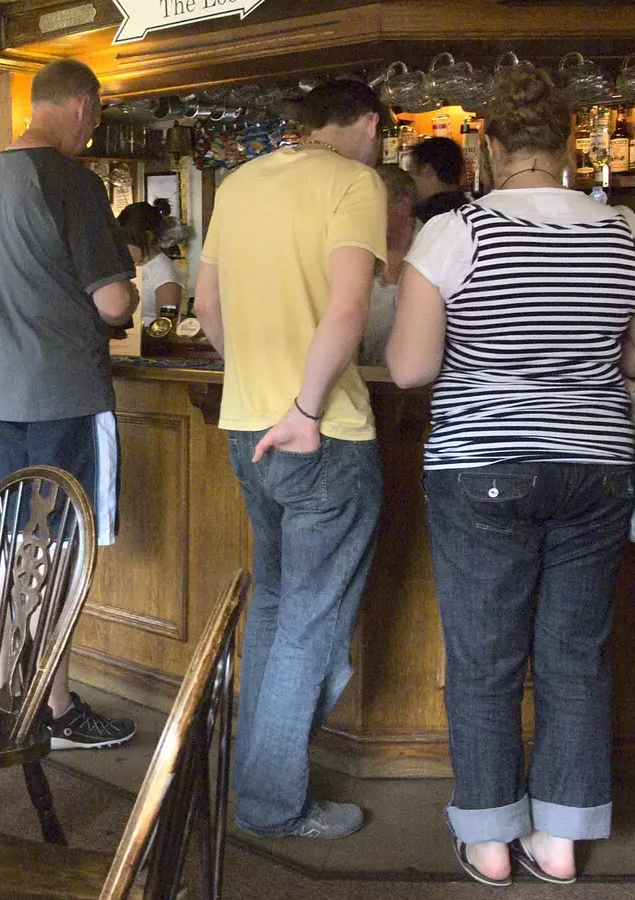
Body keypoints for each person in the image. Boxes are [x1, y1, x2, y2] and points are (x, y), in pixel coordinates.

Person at [385, 66, 635, 886]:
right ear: (569, 145)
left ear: (489, 145)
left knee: (484, 657)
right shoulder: (628, 232)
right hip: (594, 466)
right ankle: (559, 839)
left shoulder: (456, 233)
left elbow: (412, 368)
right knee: (576, 655)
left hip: (481, 466)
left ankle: (488, 839)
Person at [192, 78, 387, 839]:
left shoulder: (239, 183)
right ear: (369, 123)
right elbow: (348, 306)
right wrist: (304, 406)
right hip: (322, 435)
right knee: (313, 623)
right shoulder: (354, 181)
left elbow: (207, 306)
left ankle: (253, 777)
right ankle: (274, 802)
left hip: (248, 430)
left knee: (276, 605)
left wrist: (260, 384)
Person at [0, 57, 140, 751]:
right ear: (84, 105)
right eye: (96, 113)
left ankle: (12, 684)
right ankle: (52, 708)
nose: (95, 127)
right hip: (62, 391)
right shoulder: (71, 181)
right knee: (61, 547)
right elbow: (113, 299)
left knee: (16, 541)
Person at [360, 166, 419, 366]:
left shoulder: (436, 248)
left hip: (424, 390)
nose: (364, 214)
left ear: (404, 205)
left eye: (372, 205)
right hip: (369, 385)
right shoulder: (355, 256)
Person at [115, 201, 184, 324]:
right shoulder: (128, 267)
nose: (121, 249)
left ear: (148, 237)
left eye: (125, 242)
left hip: (149, 342)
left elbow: (167, 324)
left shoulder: (166, 273)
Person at [409, 136, 470, 222]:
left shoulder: (426, 216)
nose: (408, 180)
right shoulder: (469, 209)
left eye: (411, 171)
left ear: (427, 170)